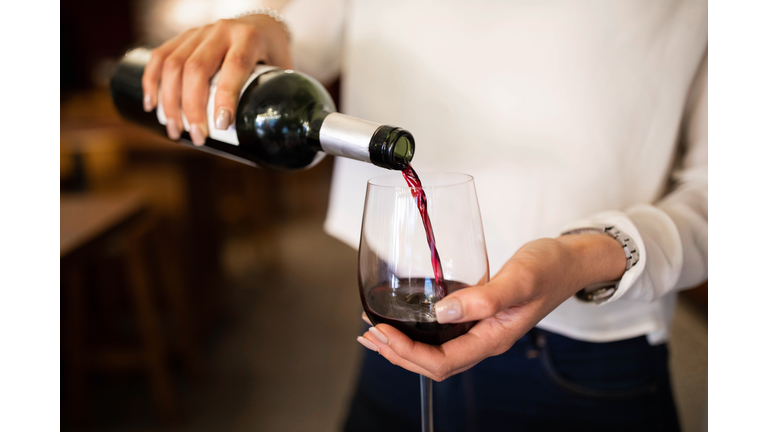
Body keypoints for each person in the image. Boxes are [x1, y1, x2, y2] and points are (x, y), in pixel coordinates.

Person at [141, 1, 707, 430]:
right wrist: (267, 28)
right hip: (393, 341)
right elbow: (296, 47)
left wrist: (580, 257)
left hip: (586, 368)